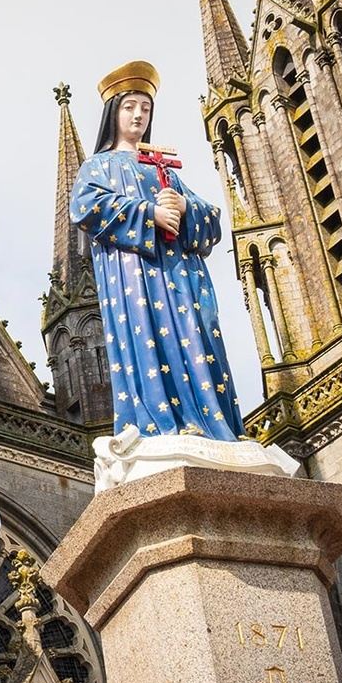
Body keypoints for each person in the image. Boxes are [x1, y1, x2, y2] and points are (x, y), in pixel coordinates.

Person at [70, 60, 244, 440]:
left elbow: (212, 222)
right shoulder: (98, 167)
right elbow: (84, 207)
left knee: (198, 336)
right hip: (138, 281)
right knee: (151, 339)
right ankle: (163, 424)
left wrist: (184, 207)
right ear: (113, 113)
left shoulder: (164, 170)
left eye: (145, 108)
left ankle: (210, 421)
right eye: (129, 107)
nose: (138, 115)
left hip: (181, 280)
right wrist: (149, 214)